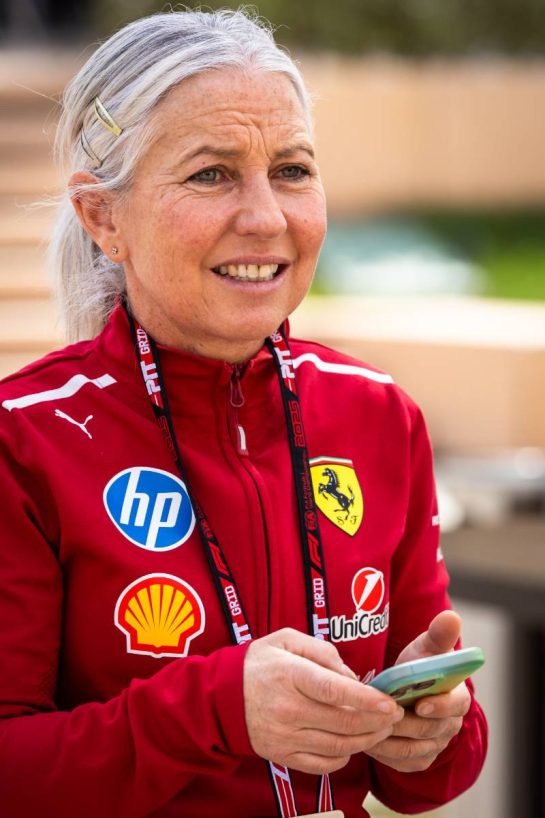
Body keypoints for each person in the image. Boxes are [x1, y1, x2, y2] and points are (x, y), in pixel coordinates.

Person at [0, 8, 487, 818]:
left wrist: (436, 729)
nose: (265, 218)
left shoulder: (377, 413)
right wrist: (218, 709)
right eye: (210, 175)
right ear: (103, 218)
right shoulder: (22, 439)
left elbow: (431, 777)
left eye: (291, 169)